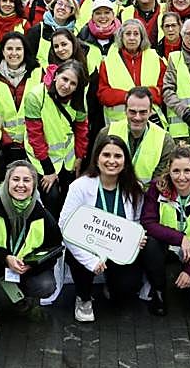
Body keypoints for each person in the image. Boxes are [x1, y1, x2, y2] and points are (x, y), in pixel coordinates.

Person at [0, 160, 63, 337]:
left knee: (47, 285)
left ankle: (20, 297)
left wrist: (33, 265)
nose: (21, 185)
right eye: (15, 179)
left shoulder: (43, 215)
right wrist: (5, 258)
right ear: (6, 182)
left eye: (27, 180)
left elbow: (55, 248)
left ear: (34, 185)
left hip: (24, 269)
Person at [60, 134, 147, 323]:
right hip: (86, 248)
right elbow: (65, 226)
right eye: (106, 155)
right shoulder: (79, 187)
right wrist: (91, 260)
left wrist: (137, 239)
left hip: (116, 251)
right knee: (78, 262)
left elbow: (137, 221)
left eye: (118, 156)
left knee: (125, 289)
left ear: (125, 160)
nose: (112, 161)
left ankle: (110, 283)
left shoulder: (135, 188)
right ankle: (83, 298)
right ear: (97, 158)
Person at [139, 146, 190, 316]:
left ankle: (185, 282)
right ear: (169, 171)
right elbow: (148, 222)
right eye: (176, 171)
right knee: (150, 244)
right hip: (166, 247)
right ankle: (158, 290)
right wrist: (180, 239)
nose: (181, 177)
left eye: (187, 171)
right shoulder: (157, 188)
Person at [23, 59, 89, 209]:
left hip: (67, 159)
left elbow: (81, 129)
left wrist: (80, 157)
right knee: (51, 197)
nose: (67, 86)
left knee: (69, 198)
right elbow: (35, 136)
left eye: (73, 83)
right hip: (42, 160)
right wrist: (49, 171)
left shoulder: (78, 99)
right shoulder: (35, 96)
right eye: (64, 79)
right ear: (56, 75)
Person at [96, 87, 174, 187]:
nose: (137, 117)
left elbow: (160, 181)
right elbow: (96, 170)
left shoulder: (165, 140)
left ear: (151, 112)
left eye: (143, 112)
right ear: (125, 111)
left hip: (147, 198)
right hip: (111, 195)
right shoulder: (106, 133)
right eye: (132, 112)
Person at [97, 19, 165, 126]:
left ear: (142, 37)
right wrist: (129, 96)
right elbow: (103, 94)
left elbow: (163, 90)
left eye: (136, 34)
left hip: (151, 120)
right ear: (121, 37)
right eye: (128, 34)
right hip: (119, 124)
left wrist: (145, 95)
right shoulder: (108, 61)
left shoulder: (156, 58)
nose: (132, 38)